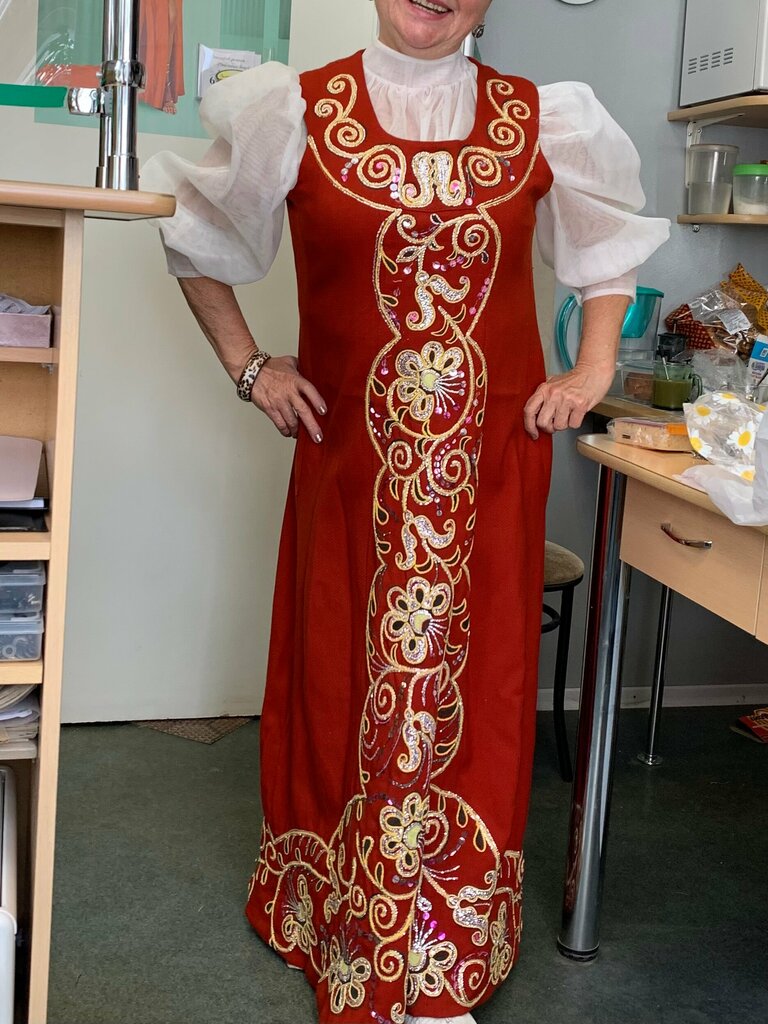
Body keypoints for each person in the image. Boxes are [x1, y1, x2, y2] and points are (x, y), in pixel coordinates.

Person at [143, 1, 669, 1021]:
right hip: (351, 476)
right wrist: (250, 368)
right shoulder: (292, 108)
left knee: (483, 686)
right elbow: (197, 239)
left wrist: (595, 365)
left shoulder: (545, 117)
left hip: (489, 479)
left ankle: (443, 943)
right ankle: (337, 915)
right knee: (338, 679)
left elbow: (607, 247)